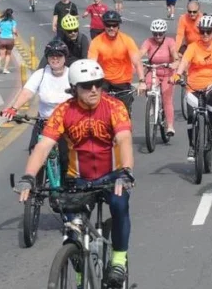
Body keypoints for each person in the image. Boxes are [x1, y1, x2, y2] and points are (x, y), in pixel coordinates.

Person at [13, 58, 136, 287]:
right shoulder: (63, 111)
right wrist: (29, 177)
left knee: (120, 205)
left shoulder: (114, 107)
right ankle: (79, 271)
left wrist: (126, 171)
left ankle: (119, 259)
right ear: (74, 88)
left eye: (98, 84)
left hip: (112, 176)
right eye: (87, 86)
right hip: (77, 179)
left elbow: (125, 139)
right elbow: (43, 146)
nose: (94, 90)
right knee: (72, 232)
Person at [0, 40, 72, 179]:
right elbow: (27, 92)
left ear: (65, 57)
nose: (55, 59)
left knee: (67, 156)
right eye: (51, 56)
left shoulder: (71, 75)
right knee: (35, 152)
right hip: (44, 121)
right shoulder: (41, 74)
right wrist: (13, 109)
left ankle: (67, 187)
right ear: (47, 57)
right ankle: (35, 187)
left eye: (59, 55)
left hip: (67, 124)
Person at [171, 15, 212, 162]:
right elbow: (184, 62)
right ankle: (192, 145)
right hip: (193, 86)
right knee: (191, 116)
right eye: (202, 31)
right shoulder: (192, 47)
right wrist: (178, 74)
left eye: (208, 32)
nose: (205, 35)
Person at [88, 11, 147, 115]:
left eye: (114, 25)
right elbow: (91, 64)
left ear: (118, 26)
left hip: (122, 82)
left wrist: (142, 81)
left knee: (123, 115)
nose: (111, 28)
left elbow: (137, 62)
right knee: (99, 113)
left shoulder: (127, 40)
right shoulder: (96, 42)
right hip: (104, 81)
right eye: (108, 25)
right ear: (104, 25)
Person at [140, 19, 179, 136]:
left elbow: (174, 54)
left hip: (168, 72)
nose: (158, 36)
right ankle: (152, 104)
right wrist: (136, 59)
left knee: (167, 99)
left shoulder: (170, 41)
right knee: (147, 85)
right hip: (153, 71)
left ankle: (170, 126)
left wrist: (175, 63)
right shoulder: (148, 41)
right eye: (155, 33)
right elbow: (140, 52)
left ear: (164, 33)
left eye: (160, 33)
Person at [0, 8, 18, 74]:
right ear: (12, 14)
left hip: (2, 39)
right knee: (8, 54)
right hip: (10, 39)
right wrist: (16, 34)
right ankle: (5, 69)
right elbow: (14, 31)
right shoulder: (13, 22)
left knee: (1, 54)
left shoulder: (1, 21)